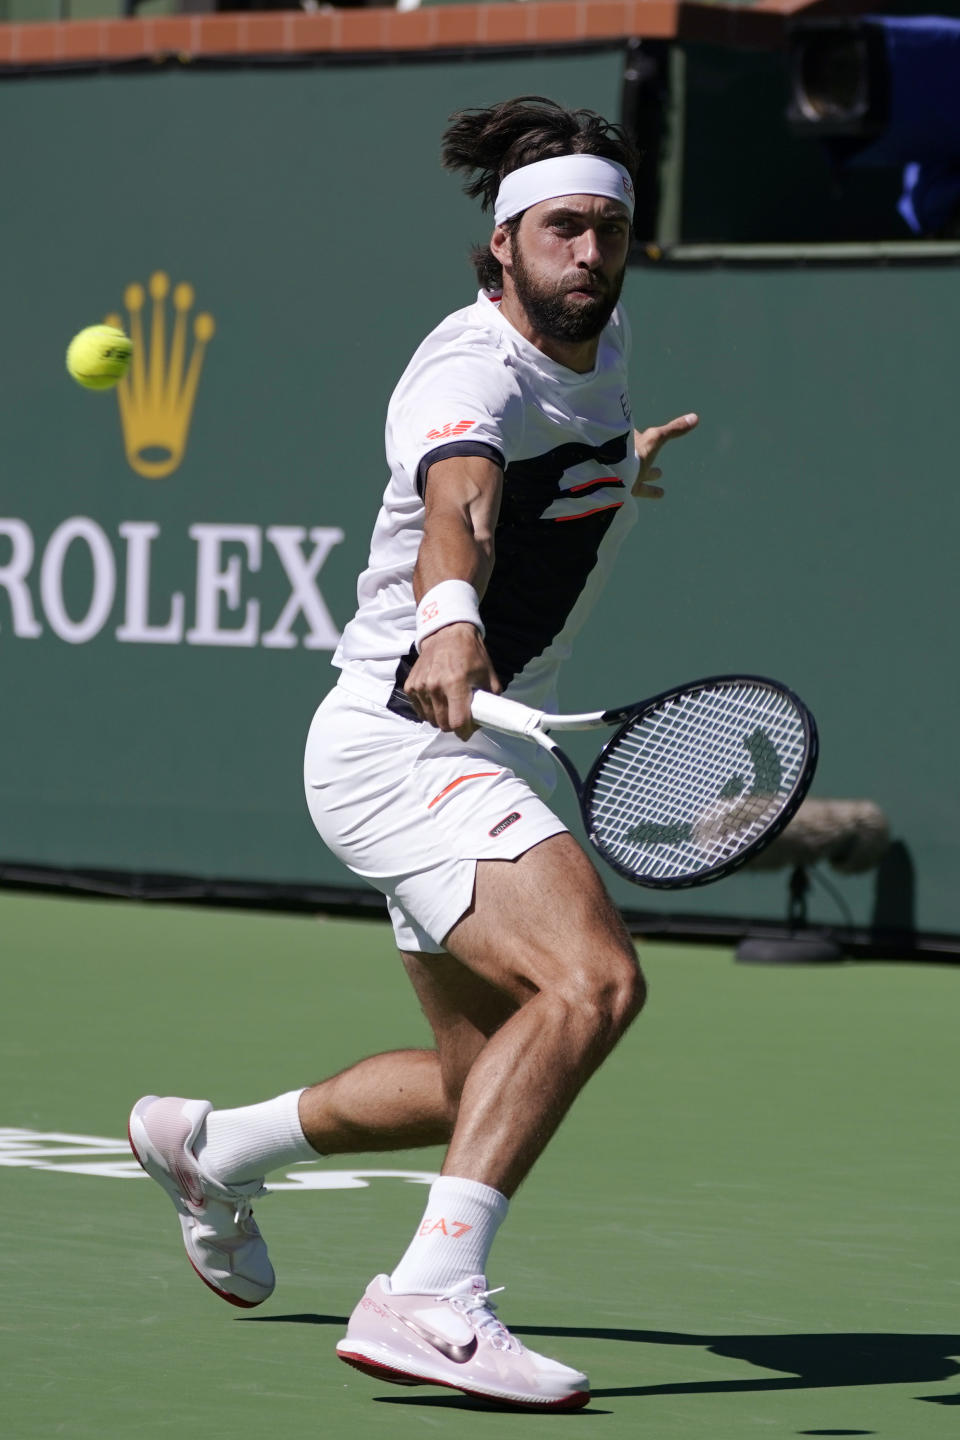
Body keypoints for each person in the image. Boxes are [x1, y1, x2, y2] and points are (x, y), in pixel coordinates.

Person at [128, 95, 698, 1411]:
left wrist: (614, 469)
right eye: (560, 229)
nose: (589, 253)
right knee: (596, 986)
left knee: (477, 1075)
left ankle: (211, 1147)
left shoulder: (600, 343)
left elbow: (539, 473)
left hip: (488, 747)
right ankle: (431, 1298)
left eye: (608, 229)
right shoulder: (466, 370)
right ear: (497, 247)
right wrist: (449, 620)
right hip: (404, 737)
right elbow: (460, 504)